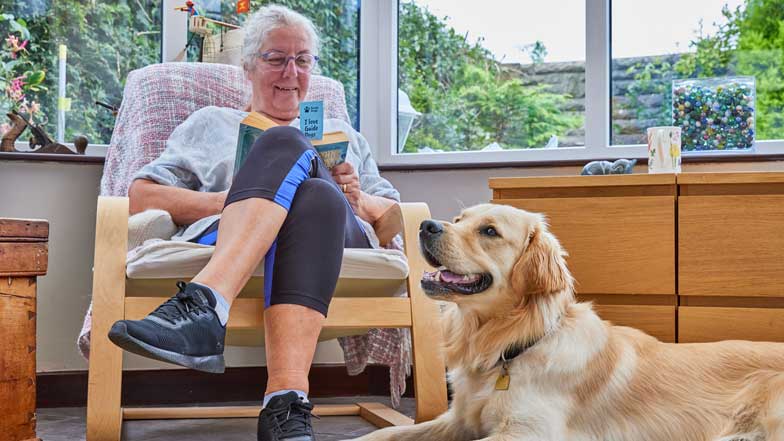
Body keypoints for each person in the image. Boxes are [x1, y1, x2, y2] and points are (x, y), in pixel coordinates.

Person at [106, 5, 399, 441]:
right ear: (247, 66)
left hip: (338, 235)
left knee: (309, 170)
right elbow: (141, 195)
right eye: (276, 58)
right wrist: (229, 200)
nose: (291, 71)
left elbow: (394, 216)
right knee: (313, 190)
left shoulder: (343, 132)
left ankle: (205, 304)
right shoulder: (210, 124)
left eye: (302, 60)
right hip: (230, 232)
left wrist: (360, 201)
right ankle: (286, 406)